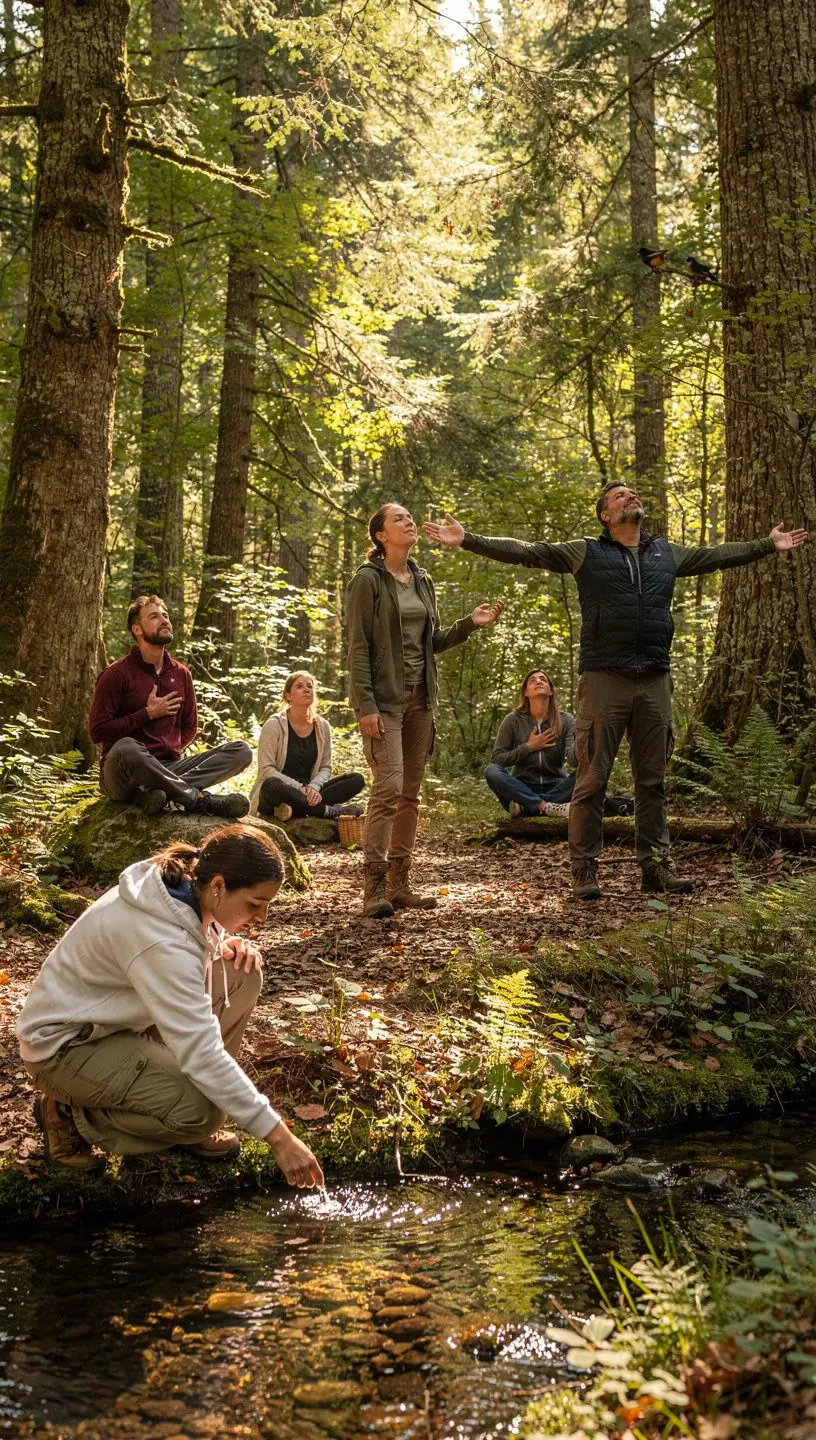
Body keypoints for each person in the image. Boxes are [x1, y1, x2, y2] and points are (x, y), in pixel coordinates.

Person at [424, 485, 808, 901]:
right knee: (591, 780)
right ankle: (585, 871)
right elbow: (528, 550)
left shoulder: (666, 553)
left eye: (634, 494)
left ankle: (656, 868)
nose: (631, 497)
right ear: (605, 515)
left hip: (654, 679)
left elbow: (716, 556)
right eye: (620, 496)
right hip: (604, 679)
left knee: (653, 781)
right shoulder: (585, 551)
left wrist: (767, 545)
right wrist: (467, 540)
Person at [17, 825, 324, 1188]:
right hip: (65, 1048)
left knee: (242, 973)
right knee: (204, 1113)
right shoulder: (160, 939)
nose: (262, 917)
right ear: (219, 886)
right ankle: (71, 1115)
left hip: (118, 1023)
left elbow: (188, 937)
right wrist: (279, 1137)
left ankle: (175, 1104)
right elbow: (201, 1050)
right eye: (255, 904)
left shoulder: (182, 891)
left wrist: (221, 940)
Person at [347, 502, 504, 918]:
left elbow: (431, 641)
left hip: (422, 700)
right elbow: (358, 648)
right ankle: (374, 885)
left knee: (411, 795)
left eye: (409, 517)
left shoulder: (422, 579)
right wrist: (365, 704)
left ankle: (400, 884)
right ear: (380, 535)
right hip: (385, 702)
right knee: (389, 788)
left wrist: (470, 623)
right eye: (398, 519)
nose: (409, 522)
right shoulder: (367, 581)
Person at [89, 594, 251, 818]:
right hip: (122, 772)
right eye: (154, 616)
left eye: (165, 615)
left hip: (169, 767)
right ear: (137, 629)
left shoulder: (181, 673)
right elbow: (97, 732)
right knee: (128, 746)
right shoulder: (117, 674)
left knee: (241, 751)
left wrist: (167, 750)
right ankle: (198, 799)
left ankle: (151, 792)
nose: (164, 620)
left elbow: (189, 727)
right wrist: (147, 713)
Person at [250, 670, 365, 821]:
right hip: (280, 792)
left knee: (356, 779)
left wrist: (313, 787)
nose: (306, 689)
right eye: (299, 686)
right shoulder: (274, 725)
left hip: (310, 791)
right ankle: (329, 811)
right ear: (288, 696)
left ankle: (297, 809)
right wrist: (300, 788)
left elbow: (325, 767)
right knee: (271, 784)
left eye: (309, 686)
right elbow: (266, 770)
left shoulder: (322, 726)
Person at [485, 668, 576, 817]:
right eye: (532, 680)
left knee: (590, 771)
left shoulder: (566, 720)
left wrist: (583, 747)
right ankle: (545, 806)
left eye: (543, 679)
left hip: (557, 787)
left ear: (551, 691)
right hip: (521, 788)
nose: (538, 681)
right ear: (526, 693)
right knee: (491, 771)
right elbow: (497, 759)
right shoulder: (513, 720)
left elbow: (573, 760)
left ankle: (529, 808)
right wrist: (528, 747)